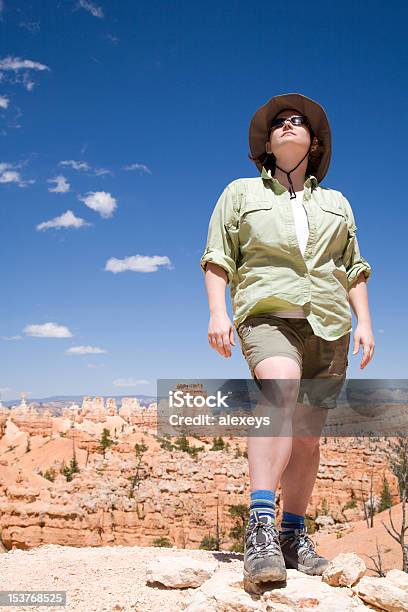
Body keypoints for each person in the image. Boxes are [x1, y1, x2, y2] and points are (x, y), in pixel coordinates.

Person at [200, 93, 375, 588]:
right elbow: (218, 255)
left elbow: (352, 267)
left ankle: (294, 534)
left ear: (314, 143)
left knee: (308, 434)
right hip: (267, 316)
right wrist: (218, 311)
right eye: (280, 123)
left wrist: (364, 322)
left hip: (329, 325)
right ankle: (260, 528)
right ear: (268, 144)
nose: (289, 125)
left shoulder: (337, 203)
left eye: (299, 122)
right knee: (277, 396)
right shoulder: (239, 193)